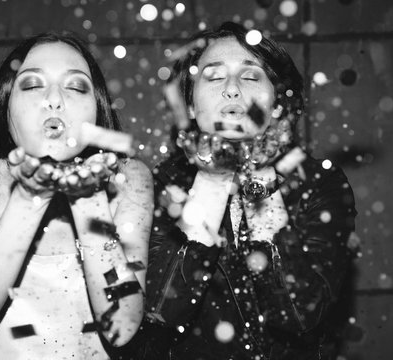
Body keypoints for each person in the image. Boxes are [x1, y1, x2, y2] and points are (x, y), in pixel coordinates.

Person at [0, 32, 153, 359]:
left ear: (96, 109)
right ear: (5, 105)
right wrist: (29, 198)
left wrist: (89, 201)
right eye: (33, 85)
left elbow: (122, 324)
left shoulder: (128, 178)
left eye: (76, 86)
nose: (55, 99)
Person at [142, 22, 357, 359]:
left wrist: (259, 172)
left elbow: (297, 315)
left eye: (251, 75)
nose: (231, 89)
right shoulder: (163, 185)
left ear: (276, 104)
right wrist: (213, 175)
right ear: (192, 107)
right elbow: (164, 311)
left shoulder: (318, 183)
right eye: (213, 76)